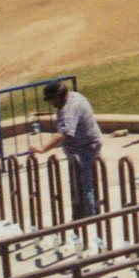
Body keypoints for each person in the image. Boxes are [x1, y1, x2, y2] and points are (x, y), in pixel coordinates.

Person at [40, 80, 103, 219]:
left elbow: (65, 133)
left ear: (59, 96)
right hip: (86, 145)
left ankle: (89, 217)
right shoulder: (74, 96)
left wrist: (43, 148)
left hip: (85, 148)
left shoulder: (68, 110)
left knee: (84, 185)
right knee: (84, 182)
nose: (51, 103)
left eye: (52, 100)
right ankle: (88, 210)